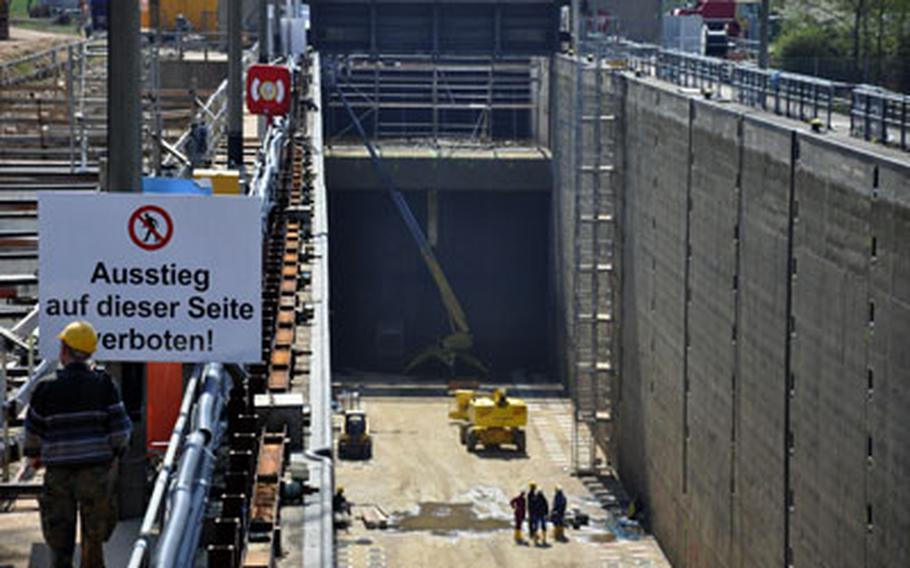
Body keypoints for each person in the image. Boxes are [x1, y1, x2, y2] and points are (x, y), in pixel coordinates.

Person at [24, 321, 132, 568]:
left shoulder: (46, 388)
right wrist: (115, 453)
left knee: (59, 539)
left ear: (64, 350)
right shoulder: (104, 384)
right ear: (90, 352)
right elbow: (120, 429)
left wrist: (34, 456)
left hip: (58, 474)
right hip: (95, 472)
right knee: (94, 539)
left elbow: (33, 432)